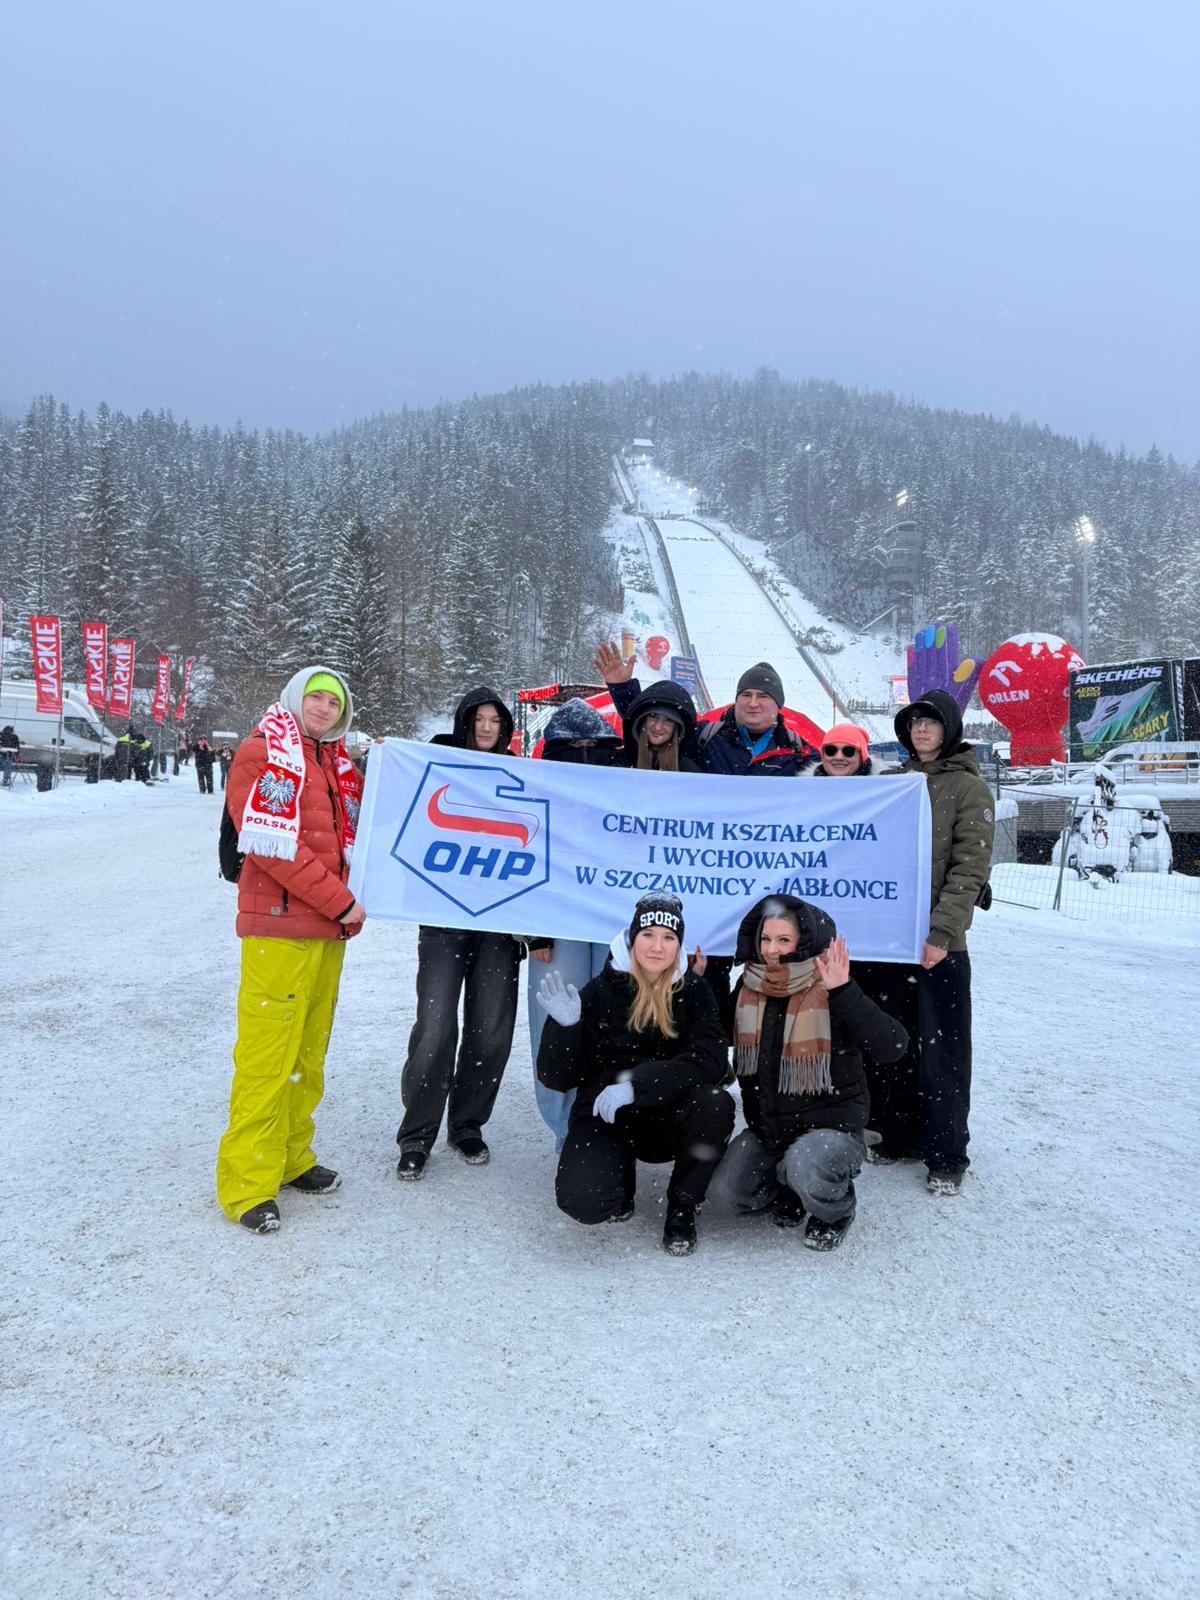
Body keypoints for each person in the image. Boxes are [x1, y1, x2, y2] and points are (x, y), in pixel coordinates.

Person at [216, 667, 364, 1234]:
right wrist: (342, 901)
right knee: (266, 1059)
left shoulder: (335, 765)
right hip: (279, 929)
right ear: (294, 698)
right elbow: (275, 849)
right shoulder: (264, 754)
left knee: (306, 1055)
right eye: (316, 697)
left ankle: (290, 1156)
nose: (324, 708)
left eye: (334, 701)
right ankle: (247, 1184)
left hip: (325, 931)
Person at [598, 648, 817, 1028]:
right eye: (745, 695)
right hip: (709, 878)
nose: (752, 703)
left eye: (762, 696)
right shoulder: (709, 737)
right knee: (703, 974)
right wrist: (624, 690)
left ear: (777, 706)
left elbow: (837, 793)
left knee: (767, 975)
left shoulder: (798, 753)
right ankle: (705, 1053)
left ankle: (759, 1061)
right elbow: (659, 729)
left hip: (762, 877)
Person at [536, 893, 733, 1256]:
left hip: (669, 1115)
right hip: (609, 1116)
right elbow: (557, 1078)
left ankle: (682, 1205)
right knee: (583, 1201)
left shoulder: (693, 990)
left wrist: (637, 1086)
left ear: (679, 945)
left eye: (668, 938)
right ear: (632, 938)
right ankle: (619, 1179)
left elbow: (712, 1061)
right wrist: (565, 1029)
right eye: (648, 935)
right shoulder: (601, 989)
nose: (657, 947)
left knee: (716, 1103)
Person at [711, 895, 908, 1250]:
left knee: (808, 1163)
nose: (771, 950)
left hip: (830, 1129)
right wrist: (701, 980)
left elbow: (892, 1047)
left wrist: (844, 991)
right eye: (766, 939)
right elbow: (717, 1032)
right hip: (770, 1129)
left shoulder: (831, 984)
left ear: (805, 942)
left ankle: (835, 1209)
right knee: (725, 1195)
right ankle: (790, 1194)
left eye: (783, 940)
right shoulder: (751, 985)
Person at [866, 689, 995, 1194]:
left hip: (939, 945)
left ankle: (946, 1152)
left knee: (943, 1051)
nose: (921, 731)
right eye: (915, 723)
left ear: (949, 730)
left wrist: (943, 931)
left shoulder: (967, 788)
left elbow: (969, 867)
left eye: (932, 723)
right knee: (894, 1043)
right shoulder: (894, 783)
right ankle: (899, 1134)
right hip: (893, 942)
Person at [395, 687, 524, 1180]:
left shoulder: (519, 769)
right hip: (444, 918)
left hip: (498, 920)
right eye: (480, 718)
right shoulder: (438, 755)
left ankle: (468, 1122)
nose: (488, 728)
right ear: (464, 720)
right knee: (435, 1027)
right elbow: (402, 798)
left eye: (496, 720)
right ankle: (417, 1132)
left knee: (490, 1027)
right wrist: (386, 759)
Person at [523, 697, 627, 1148]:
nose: (584, 750)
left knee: (612, 1018)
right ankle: (564, 1127)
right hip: (556, 922)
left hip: (612, 919)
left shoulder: (622, 785)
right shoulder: (537, 786)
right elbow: (523, 855)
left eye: (593, 742)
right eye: (573, 744)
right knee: (554, 1018)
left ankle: (605, 1115)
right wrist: (531, 926)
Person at [806, 721, 881, 778]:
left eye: (848, 751)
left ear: (861, 757)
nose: (839, 757)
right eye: (830, 750)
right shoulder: (804, 789)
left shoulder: (884, 790)